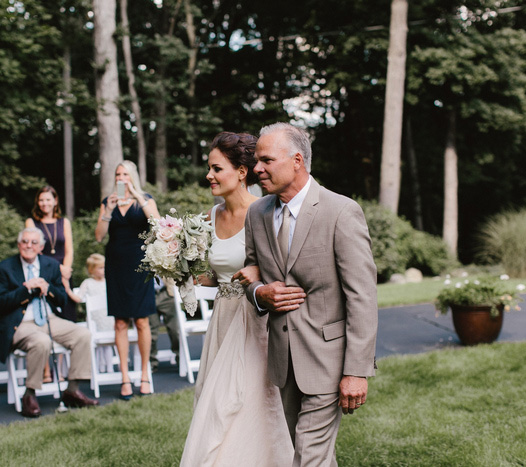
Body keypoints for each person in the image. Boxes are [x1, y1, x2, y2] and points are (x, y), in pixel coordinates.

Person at [243, 123, 378, 466]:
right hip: (283, 360)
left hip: (329, 361)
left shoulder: (341, 211)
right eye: (257, 160)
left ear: (297, 161)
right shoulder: (256, 214)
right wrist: (261, 293)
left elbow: (361, 295)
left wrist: (356, 371)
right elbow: (249, 271)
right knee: (310, 452)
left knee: (307, 454)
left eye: (266, 160)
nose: (256, 168)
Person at [181, 132, 293, 466]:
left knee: (251, 401)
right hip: (223, 318)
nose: (209, 176)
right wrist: (178, 268)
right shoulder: (209, 218)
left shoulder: (264, 213)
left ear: (241, 172)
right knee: (214, 400)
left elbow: (282, 270)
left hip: (255, 320)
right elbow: (213, 276)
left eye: (217, 168)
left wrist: (258, 276)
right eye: (209, 168)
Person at [0, 227, 98, 417]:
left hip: (49, 319)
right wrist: (26, 290)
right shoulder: (3, 268)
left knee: (83, 334)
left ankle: (72, 390)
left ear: (41, 247)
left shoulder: (50, 265)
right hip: (20, 323)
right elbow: (0, 304)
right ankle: (29, 394)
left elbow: (62, 300)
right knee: (42, 341)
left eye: (34, 243)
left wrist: (47, 288)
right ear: (19, 245)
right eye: (25, 242)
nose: (29, 246)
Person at [95, 160, 158, 399]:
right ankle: (124, 377)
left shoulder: (146, 198)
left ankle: (143, 374)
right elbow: (99, 236)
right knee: (120, 322)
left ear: (133, 177)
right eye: (118, 174)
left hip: (141, 265)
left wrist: (137, 197)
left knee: (142, 321)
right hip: (116, 266)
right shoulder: (107, 202)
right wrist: (109, 211)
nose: (121, 178)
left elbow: (158, 224)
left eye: (126, 175)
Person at [25, 185, 76, 383]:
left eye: (49, 199)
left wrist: (66, 270)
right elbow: (31, 248)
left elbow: (69, 249)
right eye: (41, 200)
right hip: (42, 273)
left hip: (63, 275)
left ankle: (61, 369)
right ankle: (46, 370)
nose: (45, 203)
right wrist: (52, 269)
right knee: (43, 318)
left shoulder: (64, 222)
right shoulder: (32, 221)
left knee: (64, 319)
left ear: (55, 201)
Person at [66, 253, 114, 372]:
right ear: (92, 269)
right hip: (95, 320)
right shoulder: (87, 283)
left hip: (108, 318)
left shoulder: (109, 281)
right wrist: (67, 290)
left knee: (108, 343)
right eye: (100, 267)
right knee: (97, 345)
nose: (103, 270)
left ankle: (109, 367)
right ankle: (98, 368)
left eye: (104, 267)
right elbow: (79, 298)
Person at [148, 277, 179, 372]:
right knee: (150, 331)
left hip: (166, 293)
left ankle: (180, 357)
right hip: (148, 295)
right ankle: (151, 362)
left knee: (175, 329)